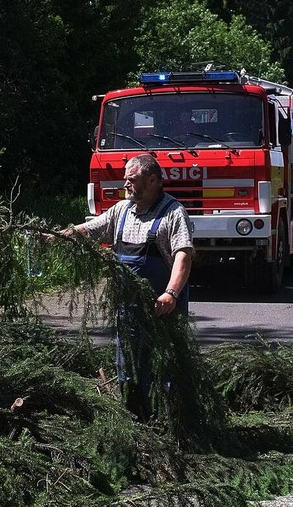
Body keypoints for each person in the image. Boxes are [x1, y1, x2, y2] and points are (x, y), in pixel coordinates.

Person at [65, 153, 194, 420]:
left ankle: (172, 423)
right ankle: (135, 421)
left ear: (153, 180)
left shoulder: (173, 212)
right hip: (128, 309)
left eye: (132, 180)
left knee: (165, 366)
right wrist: (60, 236)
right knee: (129, 364)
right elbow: (91, 229)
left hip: (163, 308)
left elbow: (183, 254)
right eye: (126, 179)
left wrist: (171, 293)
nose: (126, 185)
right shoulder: (121, 211)